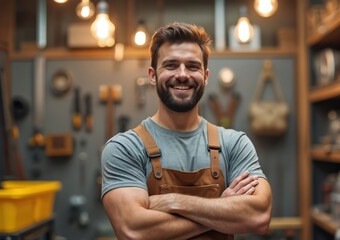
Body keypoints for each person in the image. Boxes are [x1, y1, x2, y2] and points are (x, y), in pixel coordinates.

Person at [101, 22, 272, 240]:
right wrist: (222, 208)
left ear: (206, 76)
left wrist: (173, 202)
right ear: (153, 75)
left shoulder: (234, 144)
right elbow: (133, 230)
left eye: (192, 66)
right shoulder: (124, 148)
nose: (182, 74)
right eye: (171, 65)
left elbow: (258, 216)